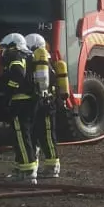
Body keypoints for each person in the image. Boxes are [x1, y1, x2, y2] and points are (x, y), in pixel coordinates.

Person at [24, 33, 70, 179]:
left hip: (46, 104)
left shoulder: (43, 65)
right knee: (37, 135)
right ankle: (40, 165)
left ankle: (53, 166)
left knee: (47, 136)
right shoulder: (43, 64)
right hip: (42, 103)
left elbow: (44, 84)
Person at [0, 32, 37, 182]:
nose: (4, 52)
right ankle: (21, 167)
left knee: (21, 135)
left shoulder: (16, 56)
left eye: (6, 48)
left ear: (13, 46)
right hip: (28, 101)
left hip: (21, 102)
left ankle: (28, 171)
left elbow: (18, 75)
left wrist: (8, 92)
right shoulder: (27, 56)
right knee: (21, 136)